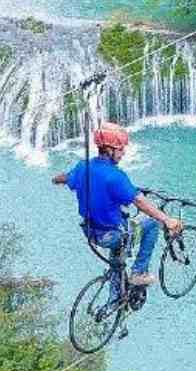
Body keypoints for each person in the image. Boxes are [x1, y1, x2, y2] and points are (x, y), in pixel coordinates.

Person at [52, 122, 182, 298]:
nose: (123, 153)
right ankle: (138, 273)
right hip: (112, 235)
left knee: (117, 262)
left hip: (91, 232)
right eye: (120, 149)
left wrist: (57, 179)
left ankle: (114, 300)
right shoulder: (115, 176)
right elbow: (139, 201)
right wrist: (167, 220)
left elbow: (65, 178)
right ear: (109, 150)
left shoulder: (83, 167)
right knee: (151, 225)